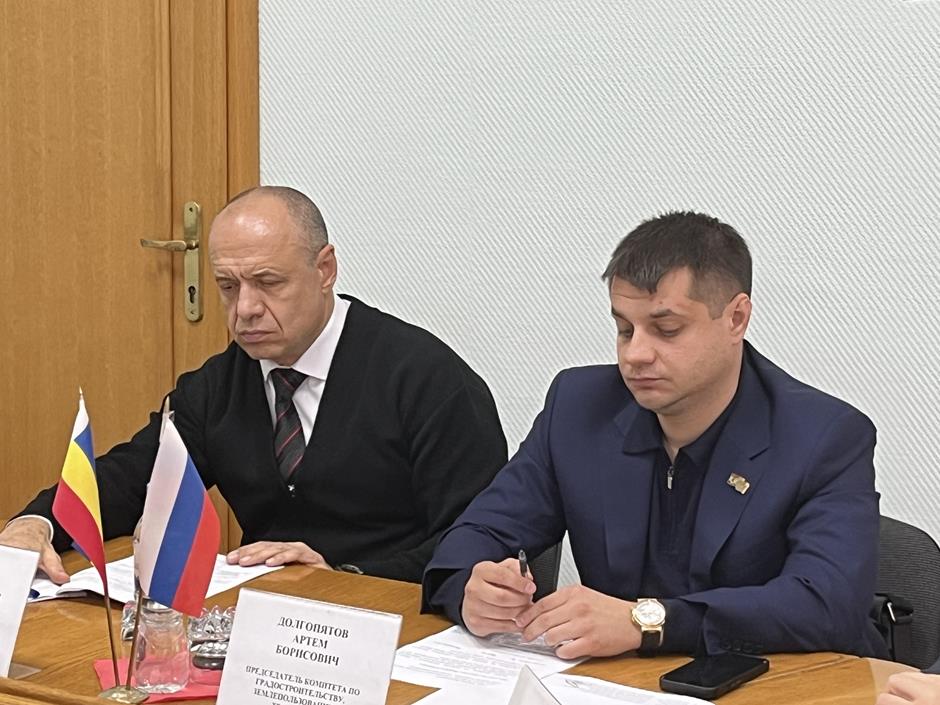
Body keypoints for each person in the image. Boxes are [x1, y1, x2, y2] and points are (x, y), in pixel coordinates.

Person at [422, 211, 887, 660]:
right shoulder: (579, 408)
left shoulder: (824, 436)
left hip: (781, 684)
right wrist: (472, 588)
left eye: (666, 330)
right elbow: (478, 532)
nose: (635, 354)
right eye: (625, 329)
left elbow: (826, 603)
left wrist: (646, 622)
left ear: (736, 318)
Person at [1, 186, 507, 584]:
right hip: (268, 626)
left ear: (324, 269)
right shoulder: (220, 384)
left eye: (268, 283)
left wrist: (344, 577)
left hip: (398, 616)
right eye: (228, 286)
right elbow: (134, 476)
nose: (244, 309)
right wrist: (37, 521)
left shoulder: (427, 381)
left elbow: (479, 537)